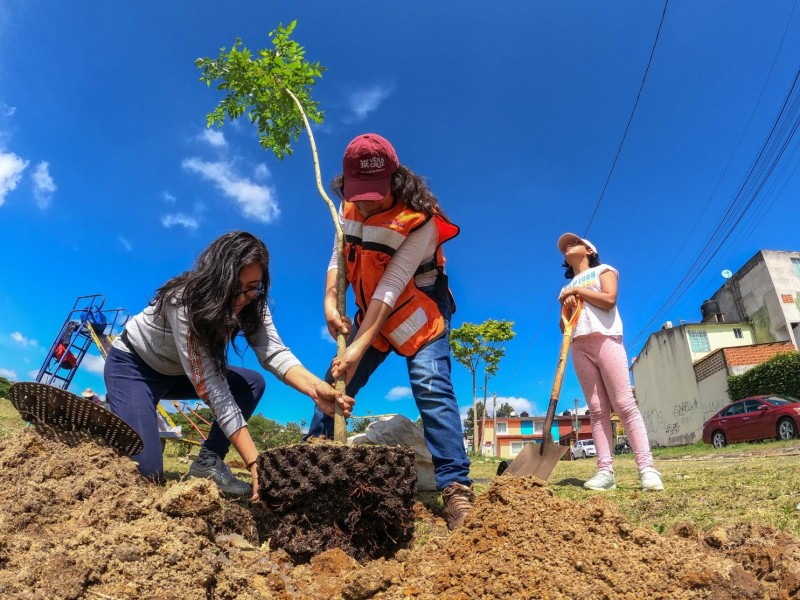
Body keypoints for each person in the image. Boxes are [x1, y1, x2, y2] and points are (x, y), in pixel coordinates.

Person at [304, 133, 474, 530]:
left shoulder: (423, 219)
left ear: (394, 180)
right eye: (358, 193)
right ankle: (314, 460)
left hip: (418, 305)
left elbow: (392, 285)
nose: (366, 202)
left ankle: (456, 488)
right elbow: (338, 257)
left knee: (430, 384)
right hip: (372, 307)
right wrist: (331, 303)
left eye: (375, 193)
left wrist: (358, 345)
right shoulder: (346, 207)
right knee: (337, 381)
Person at [104, 231, 354, 498]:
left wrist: (317, 389)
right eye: (235, 288)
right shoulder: (184, 301)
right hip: (134, 368)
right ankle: (122, 405)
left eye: (252, 287)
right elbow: (213, 388)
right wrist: (256, 463)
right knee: (147, 475)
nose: (242, 298)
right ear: (216, 278)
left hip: (180, 373)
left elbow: (274, 352)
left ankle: (208, 462)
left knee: (251, 383)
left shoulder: (253, 300)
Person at [557, 232, 663, 491]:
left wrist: (579, 291)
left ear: (589, 250)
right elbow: (564, 326)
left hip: (607, 339)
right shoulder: (564, 289)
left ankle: (647, 469)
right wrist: (568, 303)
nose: (568, 247)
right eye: (565, 246)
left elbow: (609, 300)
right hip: (579, 346)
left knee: (624, 404)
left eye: (574, 243)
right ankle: (605, 473)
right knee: (597, 410)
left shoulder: (603, 270)